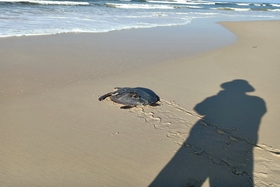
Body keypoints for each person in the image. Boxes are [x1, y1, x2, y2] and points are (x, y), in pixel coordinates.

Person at [149, 80, 267, 187]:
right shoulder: (259, 101)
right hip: (248, 134)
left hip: (203, 132)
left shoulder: (217, 96)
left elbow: (198, 109)